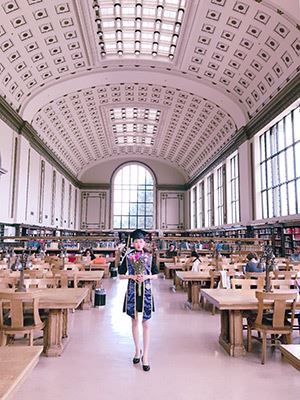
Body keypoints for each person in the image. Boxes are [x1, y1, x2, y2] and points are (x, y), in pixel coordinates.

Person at [118, 229, 158, 372]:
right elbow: (120, 275)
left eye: (141, 241)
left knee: (146, 323)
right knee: (134, 321)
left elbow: (156, 275)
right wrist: (132, 277)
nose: (139, 244)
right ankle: (137, 350)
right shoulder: (128, 256)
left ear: (144, 242)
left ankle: (145, 355)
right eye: (136, 241)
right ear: (132, 242)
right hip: (132, 292)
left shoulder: (149, 256)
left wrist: (146, 277)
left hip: (146, 291)